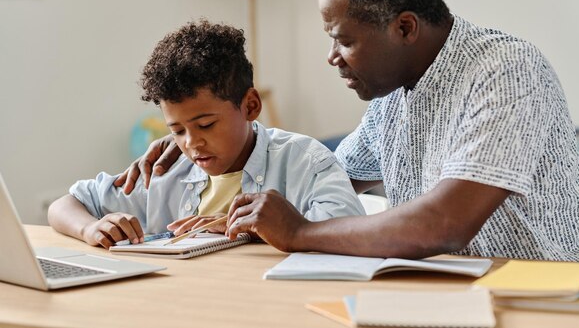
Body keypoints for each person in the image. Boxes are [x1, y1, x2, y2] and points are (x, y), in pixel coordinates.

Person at [118, 0, 579, 263]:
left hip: (556, 299)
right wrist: (204, 153)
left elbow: (442, 226)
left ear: (404, 28)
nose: (332, 57)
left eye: (343, 40)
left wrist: (297, 233)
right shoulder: (393, 96)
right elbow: (317, 176)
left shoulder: (506, 71)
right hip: (452, 294)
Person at [47, 20, 365, 248]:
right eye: (177, 130)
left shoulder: (301, 160)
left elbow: (348, 223)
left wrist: (260, 228)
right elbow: (65, 204)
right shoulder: (164, 170)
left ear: (251, 106)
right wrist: (90, 229)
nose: (191, 142)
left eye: (206, 125)